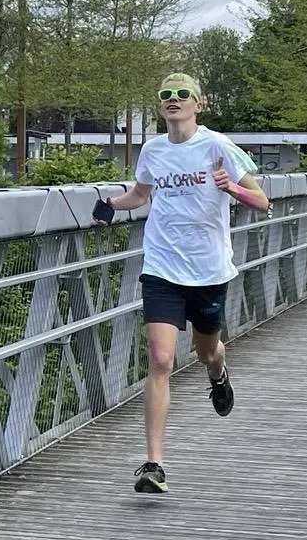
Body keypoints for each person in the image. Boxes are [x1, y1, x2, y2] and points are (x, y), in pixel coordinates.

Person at [92, 72, 270, 494]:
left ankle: (218, 373)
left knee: (206, 351)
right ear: (160, 104)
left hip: (208, 271)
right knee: (160, 359)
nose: (174, 99)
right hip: (162, 268)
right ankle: (154, 464)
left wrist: (232, 189)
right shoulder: (153, 150)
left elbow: (262, 201)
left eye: (183, 94)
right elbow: (141, 194)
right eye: (166, 94)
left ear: (198, 103)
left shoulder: (217, 146)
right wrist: (110, 204)